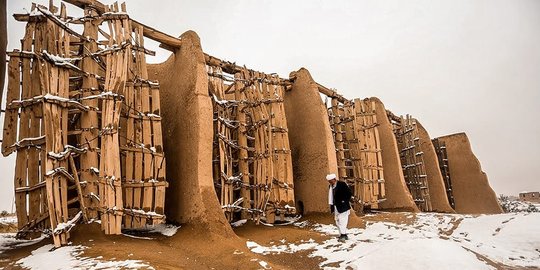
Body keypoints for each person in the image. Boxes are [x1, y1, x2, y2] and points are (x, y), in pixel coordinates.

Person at [327, 173, 352, 241]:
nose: (330, 182)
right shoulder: (331, 187)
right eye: (329, 181)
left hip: (343, 206)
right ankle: (342, 234)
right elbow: (332, 197)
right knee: (337, 221)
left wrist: (344, 200)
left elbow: (349, 193)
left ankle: (343, 235)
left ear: (334, 179)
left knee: (342, 220)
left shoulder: (342, 184)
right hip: (336, 206)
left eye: (331, 181)